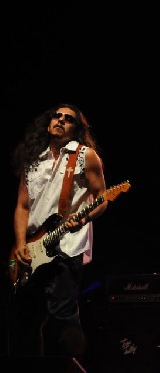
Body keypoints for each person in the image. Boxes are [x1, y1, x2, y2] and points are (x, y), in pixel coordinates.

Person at [9, 103, 107, 358]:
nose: (61, 120)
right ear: (49, 121)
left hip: (68, 244)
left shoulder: (86, 156)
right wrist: (20, 242)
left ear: (76, 128)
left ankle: (67, 365)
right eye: (57, 115)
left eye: (69, 118)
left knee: (62, 316)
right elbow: (22, 205)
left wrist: (84, 219)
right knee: (26, 320)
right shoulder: (33, 159)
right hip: (33, 246)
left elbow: (102, 198)